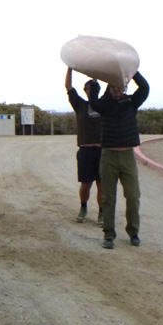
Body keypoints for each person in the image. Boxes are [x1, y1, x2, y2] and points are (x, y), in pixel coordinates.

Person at [88, 72, 149, 249]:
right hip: (109, 156)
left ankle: (133, 232)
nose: (116, 90)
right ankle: (108, 234)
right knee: (108, 197)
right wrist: (95, 80)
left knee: (133, 196)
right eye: (113, 87)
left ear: (124, 88)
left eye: (119, 87)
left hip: (128, 156)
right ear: (109, 88)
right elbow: (93, 99)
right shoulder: (104, 105)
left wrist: (133, 71)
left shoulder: (132, 102)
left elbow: (145, 88)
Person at [65, 68, 103, 224]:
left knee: (102, 184)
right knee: (86, 184)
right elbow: (68, 87)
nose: (88, 91)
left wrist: (95, 74)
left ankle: (102, 213)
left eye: (91, 88)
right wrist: (70, 68)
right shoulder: (80, 104)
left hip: (102, 150)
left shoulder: (104, 105)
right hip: (86, 150)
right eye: (86, 89)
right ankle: (83, 208)